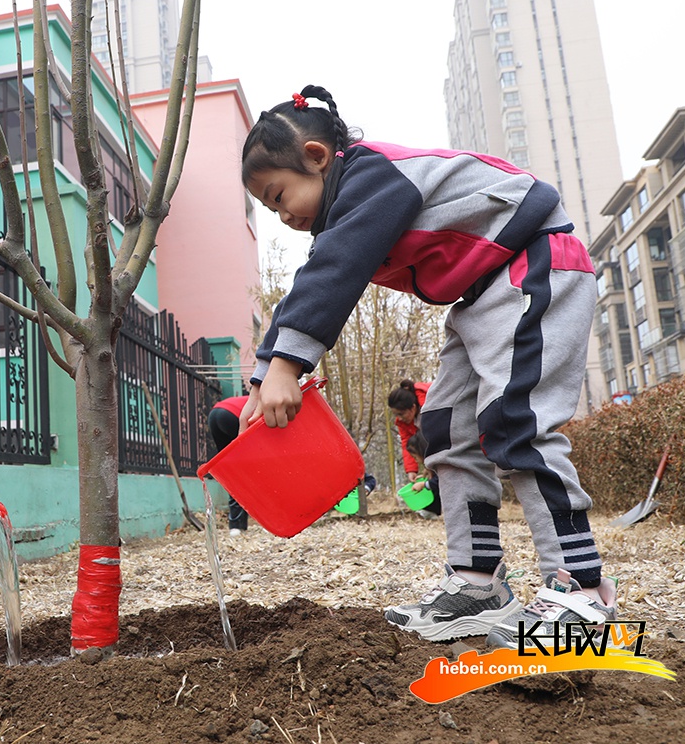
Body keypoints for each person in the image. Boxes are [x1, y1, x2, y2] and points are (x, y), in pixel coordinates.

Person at [238, 84, 617, 648]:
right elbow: (317, 276)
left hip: (531, 264)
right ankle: (477, 583)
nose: (281, 215)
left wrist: (287, 365)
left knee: (517, 422)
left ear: (317, 157)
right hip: (479, 294)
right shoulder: (348, 206)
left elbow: (335, 271)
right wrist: (267, 370)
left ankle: (581, 592)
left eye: (278, 195)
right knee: (444, 425)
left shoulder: (371, 178)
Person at [388, 380, 441, 519]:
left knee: (438, 472)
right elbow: (407, 443)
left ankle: (433, 509)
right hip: (431, 447)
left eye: (401, 413)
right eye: (396, 414)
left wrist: (429, 464)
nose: (399, 418)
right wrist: (411, 469)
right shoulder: (403, 421)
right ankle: (431, 510)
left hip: (444, 441)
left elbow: (437, 437)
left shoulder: (431, 407)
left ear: (412, 408)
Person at [207, 395, 251, 534]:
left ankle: (236, 526)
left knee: (233, 472)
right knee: (245, 472)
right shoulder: (270, 400)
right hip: (233, 417)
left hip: (214, 414)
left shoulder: (257, 395)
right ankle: (240, 523)